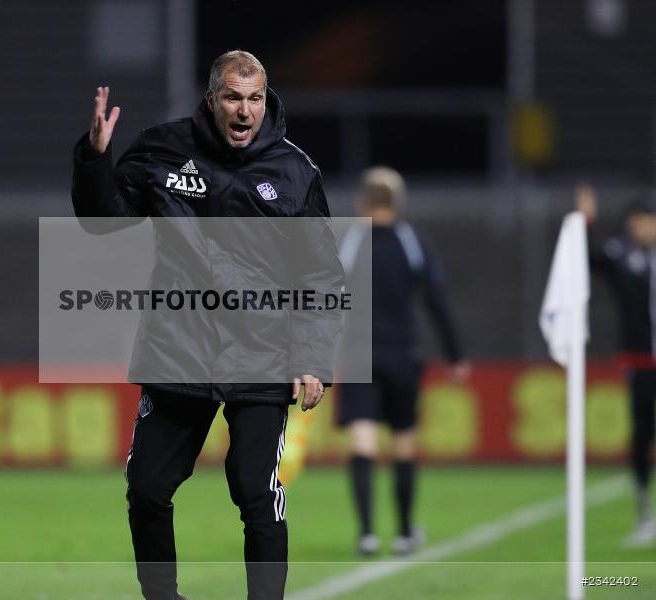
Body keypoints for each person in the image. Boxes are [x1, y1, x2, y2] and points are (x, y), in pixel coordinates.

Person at [71, 50, 344, 599]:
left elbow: (321, 274)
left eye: (255, 99)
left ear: (265, 101)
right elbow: (102, 222)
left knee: (255, 493)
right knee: (147, 488)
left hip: (262, 351)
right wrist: (95, 158)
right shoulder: (162, 149)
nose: (245, 111)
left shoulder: (294, 171)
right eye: (233, 98)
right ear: (211, 99)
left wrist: (313, 357)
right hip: (180, 348)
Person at [335, 166, 469, 556]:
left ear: (362, 202)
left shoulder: (352, 243)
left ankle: (366, 533)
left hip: (359, 353)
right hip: (402, 355)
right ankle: (406, 531)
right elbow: (437, 301)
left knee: (363, 438)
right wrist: (456, 355)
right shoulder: (412, 242)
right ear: (398, 202)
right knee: (403, 441)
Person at [576, 183, 656, 548]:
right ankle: (643, 511)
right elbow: (586, 257)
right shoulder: (621, 255)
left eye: (647, 220)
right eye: (637, 220)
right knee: (642, 434)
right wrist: (585, 219)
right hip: (640, 362)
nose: (641, 227)